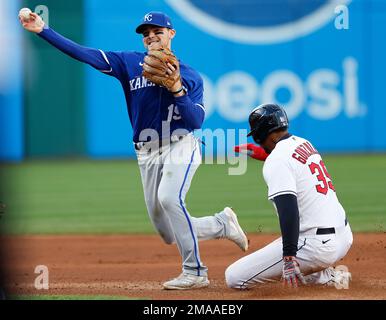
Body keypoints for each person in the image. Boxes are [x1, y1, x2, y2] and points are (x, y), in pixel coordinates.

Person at [19, 10, 249, 290]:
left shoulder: (189, 76)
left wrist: (177, 89)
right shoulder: (129, 63)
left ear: (171, 34)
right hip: (146, 153)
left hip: (181, 145)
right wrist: (44, 30)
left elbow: (196, 121)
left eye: (158, 32)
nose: (151, 37)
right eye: (146, 34)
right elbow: (84, 54)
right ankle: (220, 224)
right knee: (166, 232)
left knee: (170, 199)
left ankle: (195, 272)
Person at [229, 103, 353, 289]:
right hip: (344, 237)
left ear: (259, 134)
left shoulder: (277, 161)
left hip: (316, 246)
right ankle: (323, 273)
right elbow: (292, 163)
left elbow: (289, 211)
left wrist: (289, 257)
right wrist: (265, 155)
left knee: (234, 277)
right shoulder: (303, 143)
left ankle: (325, 276)